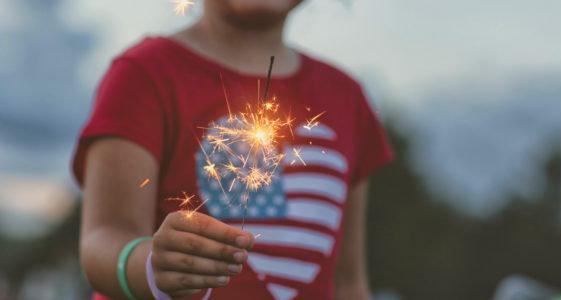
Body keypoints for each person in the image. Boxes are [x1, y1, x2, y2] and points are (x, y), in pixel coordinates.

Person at [72, 0, 393, 299]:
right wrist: (149, 265)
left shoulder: (347, 100)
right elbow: (103, 237)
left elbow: (349, 281)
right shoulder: (144, 75)